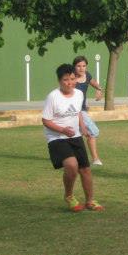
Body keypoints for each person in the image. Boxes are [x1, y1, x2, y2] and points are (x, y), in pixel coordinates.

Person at [41, 63, 102, 212]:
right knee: (71, 165)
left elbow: (78, 112)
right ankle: (69, 195)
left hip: (75, 136)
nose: (70, 83)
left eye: (72, 79)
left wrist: (83, 127)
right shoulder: (53, 97)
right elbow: (46, 120)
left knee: (85, 169)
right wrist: (62, 129)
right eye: (66, 79)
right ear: (59, 81)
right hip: (57, 138)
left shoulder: (79, 94)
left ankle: (90, 201)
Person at [72, 55, 103, 165]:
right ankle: (95, 159)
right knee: (93, 132)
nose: (81, 68)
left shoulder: (87, 75)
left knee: (77, 134)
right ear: (74, 67)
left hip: (83, 110)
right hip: (75, 111)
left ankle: (73, 157)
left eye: (84, 66)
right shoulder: (71, 79)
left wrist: (99, 89)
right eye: (78, 66)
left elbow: (92, 81)